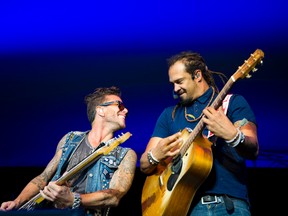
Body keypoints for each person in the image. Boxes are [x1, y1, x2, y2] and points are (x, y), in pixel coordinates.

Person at [140, 51, 259, 216]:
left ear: (197, 75)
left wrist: (233, 135)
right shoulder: (169, 115)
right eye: (172, 83)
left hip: (227, 206)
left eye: (179, 81)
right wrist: (156, 154)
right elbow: (145, 165)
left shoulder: (232, 103)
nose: (175, 89)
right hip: (184, 208)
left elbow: (253, 149)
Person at [0, 86, 137, 216]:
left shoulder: (126, 155)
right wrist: (17, 202)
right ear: (100, 110)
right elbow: (43, 178)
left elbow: (113, 197)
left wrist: (73, 199)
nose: (126, 110)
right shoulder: (70, 139)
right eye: (119, 105)